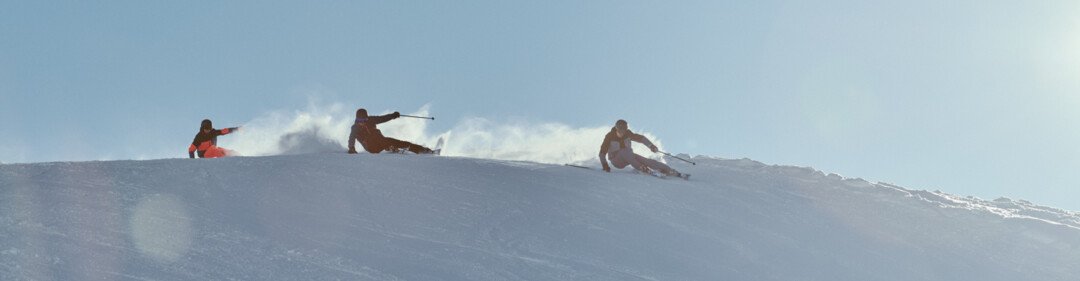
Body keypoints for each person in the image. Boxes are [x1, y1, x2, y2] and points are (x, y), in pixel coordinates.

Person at [598, 119, 684, 177]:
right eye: (620, 129)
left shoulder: (628, 134)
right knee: (625, 151)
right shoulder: (609, 137)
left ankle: (669, 170)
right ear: (616, 128)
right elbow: (602, 153)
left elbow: (641, 139)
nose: (622, 131)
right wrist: (605, 165)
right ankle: (643, 169)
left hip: (628, 157)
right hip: (617, 161)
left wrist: (651, 146)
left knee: (646, 160)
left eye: (624, 129)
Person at [348, 108, 435, 154]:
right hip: (371, 147)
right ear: (357, 119)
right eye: (359, 120)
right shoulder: (355, 128)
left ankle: (423, 150)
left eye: (363, 120)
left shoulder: (371, 120)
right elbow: (351, 138)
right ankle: (390, 147)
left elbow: (382, 118)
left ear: (366, 118)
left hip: (381, 140)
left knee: (393, 141)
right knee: (381, 139)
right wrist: (351, 148)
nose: (361, 123)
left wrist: (393, 115)